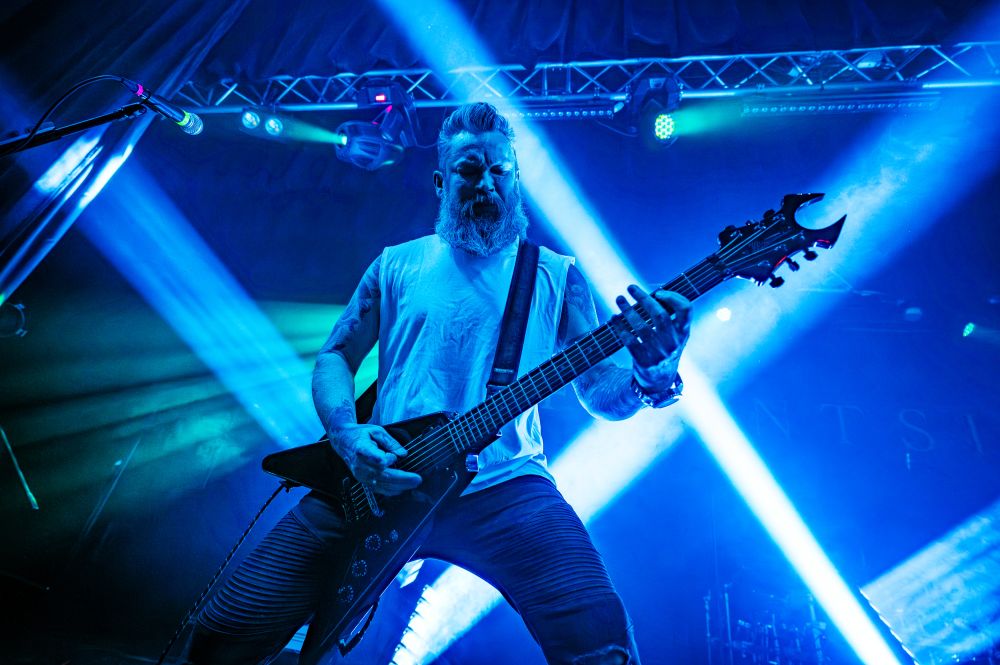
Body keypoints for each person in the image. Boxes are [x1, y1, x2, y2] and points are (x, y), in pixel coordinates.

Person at [186, 102, 690, 664]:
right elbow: (336, 355)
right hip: (380, 478)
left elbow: (598, 393)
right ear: (440, 181)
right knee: (220, 639)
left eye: (500, 171)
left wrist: (651, 378)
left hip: (506, 486)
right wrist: (347, 437)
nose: (487, 184)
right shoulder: (395, 264)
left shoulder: (556, 275)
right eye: (469, 171)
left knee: (602, 643)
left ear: (516, 178)